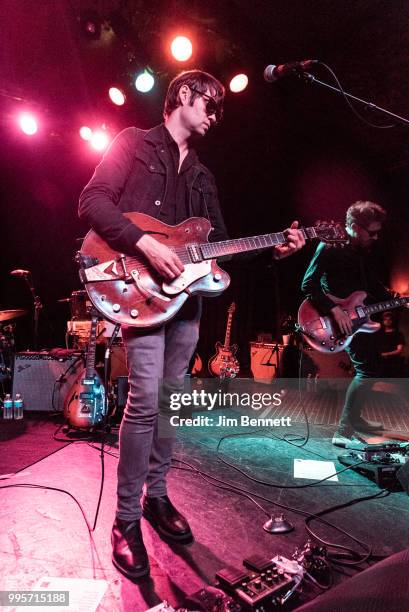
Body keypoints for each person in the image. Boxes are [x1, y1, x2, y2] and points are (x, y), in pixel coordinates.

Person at [79, 69, 305, 579]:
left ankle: (157, 498)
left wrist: (275, 251)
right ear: (184, 94)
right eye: (211, 102)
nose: (215, 114)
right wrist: (146, 244)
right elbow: (91, 202)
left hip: (186, 308)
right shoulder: (133, 143)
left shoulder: (204, 176)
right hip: (139, 292)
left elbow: (219, 250)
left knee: (166, 404)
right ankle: (126, 519)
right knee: (143, 402)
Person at [301, 200, 393, 447]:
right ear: (353, 226)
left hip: (360, 318)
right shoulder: (330, 245)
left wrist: (397, 300)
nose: (375, 237)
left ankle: (356, 420)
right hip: (338, 321)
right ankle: (344, 431)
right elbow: (308, 285)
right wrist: (335, 310)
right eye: (371, 232)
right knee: (367, 370)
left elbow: (370, 285)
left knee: (372, 367)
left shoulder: (362, 253)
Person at [378, 311, 405, 377]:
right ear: (383, 321)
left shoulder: (398, 334)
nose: (387, 321)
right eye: (385, 319)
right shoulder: (379, 334)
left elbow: (399, 350)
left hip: (393, 364)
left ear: (393, 321)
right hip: (380, 363)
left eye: (389, 319)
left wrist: (385, 354)